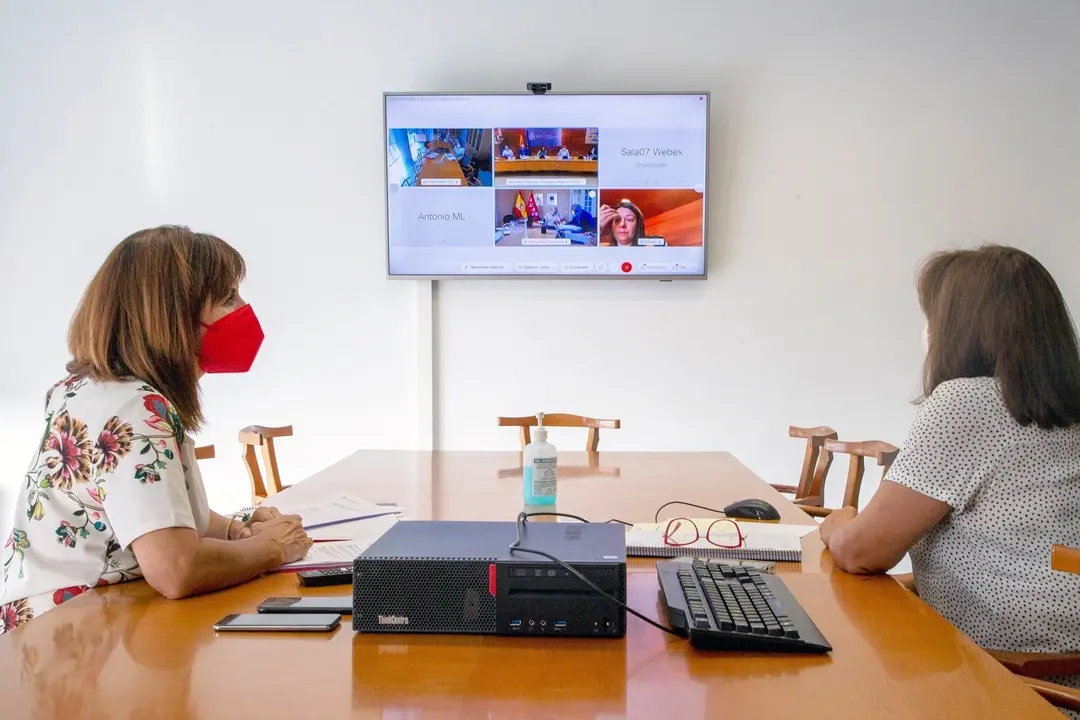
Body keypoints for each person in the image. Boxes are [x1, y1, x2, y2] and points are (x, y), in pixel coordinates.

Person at [0, 226, 313, 635]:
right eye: (227, 299)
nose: (243, 309)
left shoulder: (85, 390)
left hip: (47, 630)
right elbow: (175, 569)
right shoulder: (133, 408)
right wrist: (271, 548)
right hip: (73, 636)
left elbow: (149, 511)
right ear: (174, 315)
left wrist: (237, 530)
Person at [820, 245, 1080, 697]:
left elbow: (865, 550)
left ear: (961, 328)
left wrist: (836, 524)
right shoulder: (1063, 407)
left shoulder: (967, 403)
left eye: (931, 317)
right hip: (1059, 663)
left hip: (1006, 678)